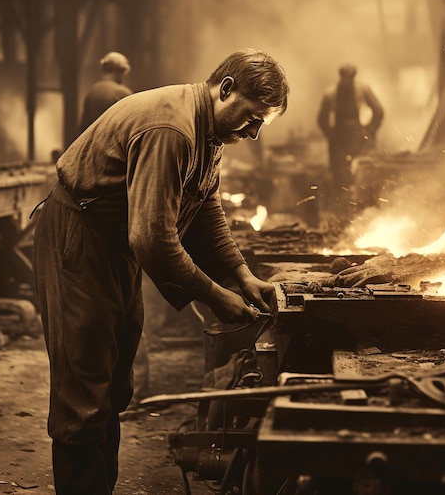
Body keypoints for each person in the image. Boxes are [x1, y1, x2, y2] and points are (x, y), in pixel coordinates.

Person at [32, 48, 289, 495]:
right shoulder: (172, 128)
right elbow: (151, 239)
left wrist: (241, 274)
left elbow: (205, 206)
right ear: (226, 89)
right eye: (252, 119)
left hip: (112, 245)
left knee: (113, 386)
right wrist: (213, 295)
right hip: (81, 238)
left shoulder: (209, 132)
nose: (253, 133)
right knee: (84, 392)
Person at [317, 63, 384, 220]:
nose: (347, 81)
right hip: (339, 141)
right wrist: (331, 136)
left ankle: (364, 214)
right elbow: (322, 119)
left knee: (363, 176)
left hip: (358, 139)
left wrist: (370, 130)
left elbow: (378, 111)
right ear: (340, 76)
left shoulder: (363, 90)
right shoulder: (331, 93)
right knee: (340, 179)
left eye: (350, 77)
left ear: (354, 77)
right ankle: (342, 216)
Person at [79, 51, 133, 134]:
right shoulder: (122, 93)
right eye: (123, 71)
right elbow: (130, 127)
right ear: (118, 70)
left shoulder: (92, 92)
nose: (125, 75)